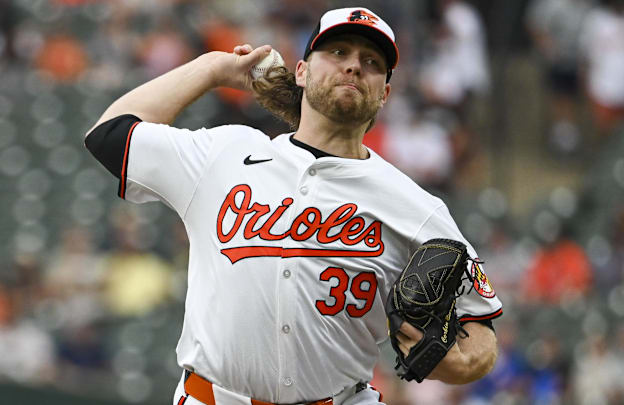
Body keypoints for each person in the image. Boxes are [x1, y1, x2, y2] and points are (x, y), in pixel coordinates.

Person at [85, 7, 503, 405]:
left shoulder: (416, 207)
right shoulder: (224, 152)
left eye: (372, 61)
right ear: (301, 71)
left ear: (385, 94)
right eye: (337, 52)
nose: (354, 65)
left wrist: (454, 362)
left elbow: (480, 332)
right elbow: (109, 134)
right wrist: (213, 68)